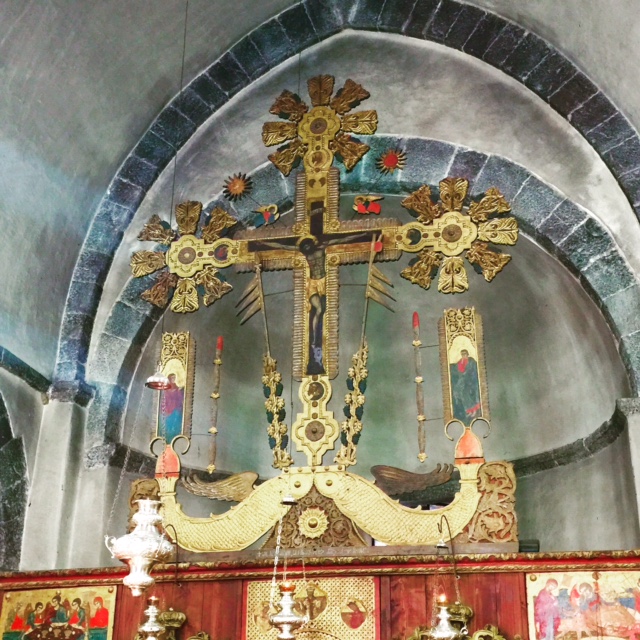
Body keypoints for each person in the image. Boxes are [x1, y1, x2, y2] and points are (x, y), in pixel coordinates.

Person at [450, 348, 481, 424]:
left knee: (465, 392)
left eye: (465, 354)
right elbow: (459, 371)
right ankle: (469, 411)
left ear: (467, 354)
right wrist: (461, 364)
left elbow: (472, 372)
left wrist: (466, 376)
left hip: (470, 381)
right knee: (459, 392)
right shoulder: (461, 362)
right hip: (463, 381)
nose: (464, 356)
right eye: (462, 355)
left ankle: (473, 410)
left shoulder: (471, 362)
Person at [160, 372, 184, 441]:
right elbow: (165, 398)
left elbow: (180, 398)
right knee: (168, 424)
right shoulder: (166, 388)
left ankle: (174, 434)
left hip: (176, 408)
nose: (174, 379)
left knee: (175, 423)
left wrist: (178, 392)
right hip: (168, 408)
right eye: (172, 378)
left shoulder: (177, 387)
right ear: (169, 379)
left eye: (174, 378)